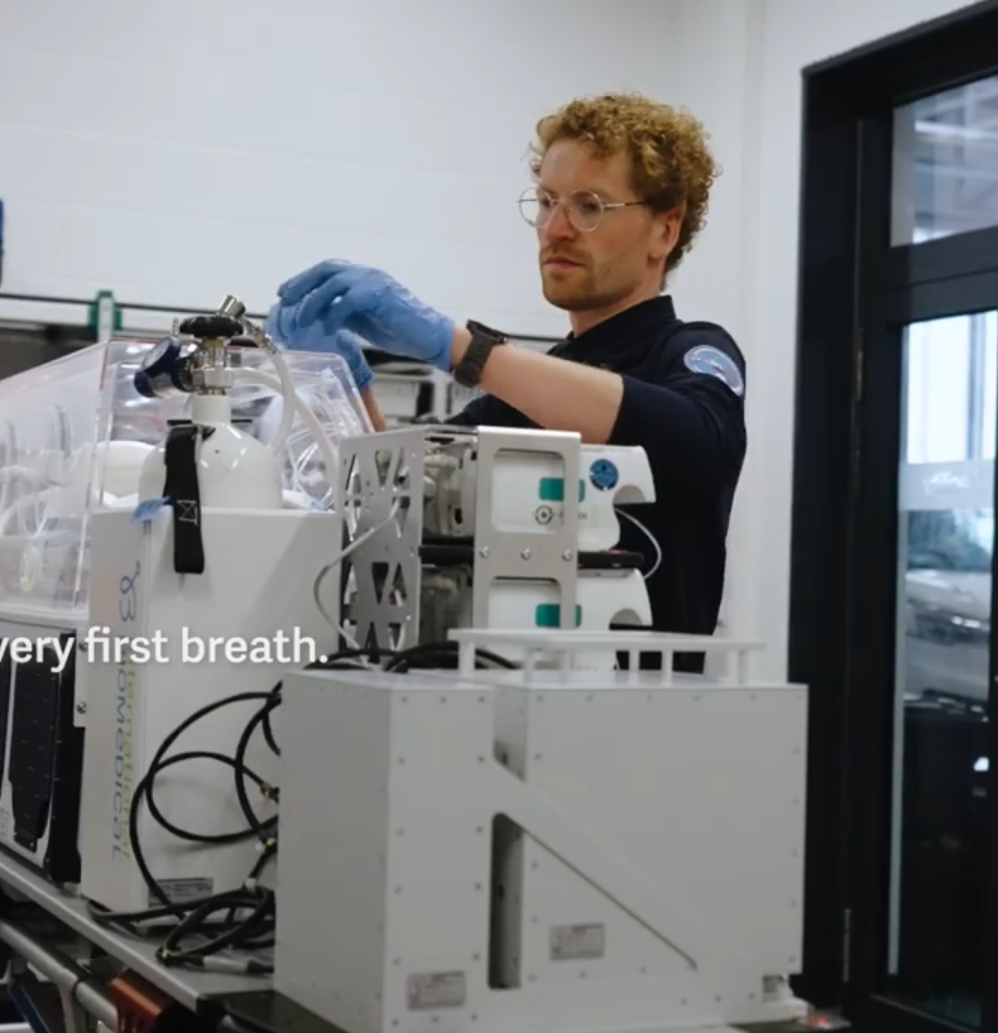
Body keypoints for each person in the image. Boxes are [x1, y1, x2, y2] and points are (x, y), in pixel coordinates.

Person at [267, 91, 745, 671]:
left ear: (664, 231)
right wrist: (340, 381)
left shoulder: (692, 350)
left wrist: (460, 347)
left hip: (638, 722)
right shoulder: (531, 389)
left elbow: (692, 441)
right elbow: (405, 499)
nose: (554, 229)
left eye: (588, 206)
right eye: (545, 202)